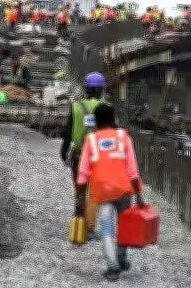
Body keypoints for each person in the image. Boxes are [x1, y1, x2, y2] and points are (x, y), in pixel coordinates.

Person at [75, 103, 144, 281]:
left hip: (103, 191)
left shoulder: (91, 140)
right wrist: (139, 195)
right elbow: (133, 170)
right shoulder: (124, 137)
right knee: (124, 226)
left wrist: (80, 198)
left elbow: (83, 173)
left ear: (96, 121)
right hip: (123, 190)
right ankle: (121, 258)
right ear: (113, 119)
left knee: (106, 229)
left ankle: (113, 267)